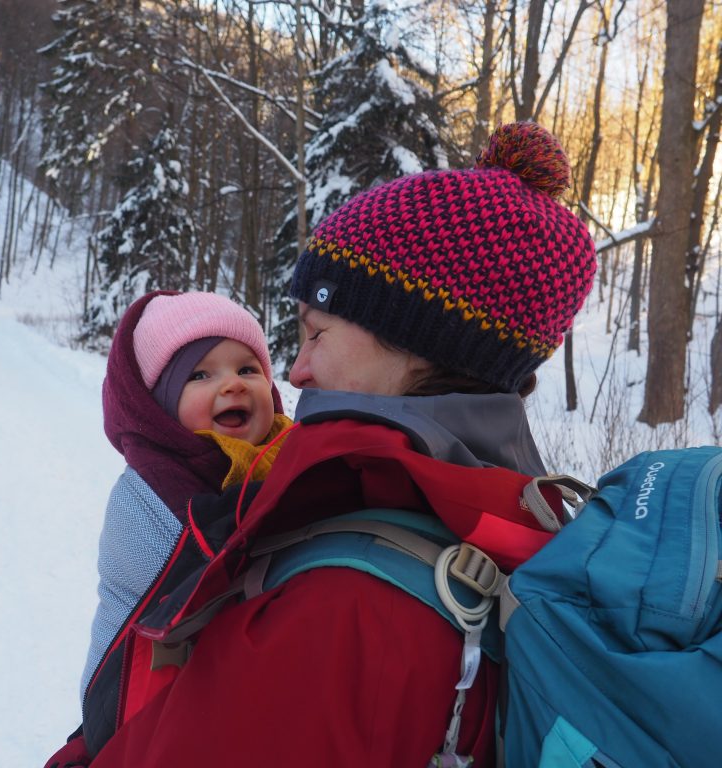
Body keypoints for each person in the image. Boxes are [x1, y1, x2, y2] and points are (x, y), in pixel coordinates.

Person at [54, 122, 597, 768]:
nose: (297, 371)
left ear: (412, 339)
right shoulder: (514, 518)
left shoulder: (346, 609)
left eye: (317, 333)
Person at [79, 290, 293, 703]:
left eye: (248, 369)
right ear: (161, 405)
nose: (232, 384)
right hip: (138, 691)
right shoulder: (148, 492)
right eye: (200, 375)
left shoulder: (288, 455)